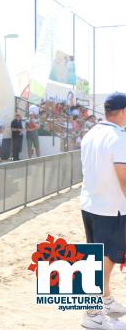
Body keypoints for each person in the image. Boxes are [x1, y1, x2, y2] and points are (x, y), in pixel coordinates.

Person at [80, 92, 126, 329]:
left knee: (97, 258)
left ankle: (104, 301)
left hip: (90, 205)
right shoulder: (118, 137)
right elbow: (124, 178)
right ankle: (91, 312)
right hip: (111, 208)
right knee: (105, 260)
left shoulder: (91, 133)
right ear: (123, 111)